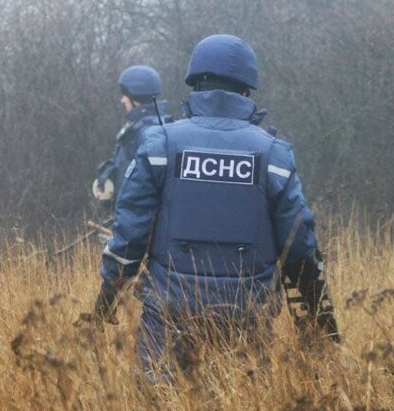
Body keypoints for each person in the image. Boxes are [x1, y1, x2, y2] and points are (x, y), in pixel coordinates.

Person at [93, 34, 337, 382]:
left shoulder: (160, 144)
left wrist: (105, 302)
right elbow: (299, 246)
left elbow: (128, 237)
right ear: (247, 90)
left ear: (195, 83)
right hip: (247, 318)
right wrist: (319, 317)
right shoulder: (273, 154)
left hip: (168, 317)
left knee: (161, 398)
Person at [92, 65, 172, 207]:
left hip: (136, 215)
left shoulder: (149, 132)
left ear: (135, 98)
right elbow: (129, 169)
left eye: (125, 95)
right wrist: (108, 176)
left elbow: (146, 185)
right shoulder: (139, 127)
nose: (122, 100)